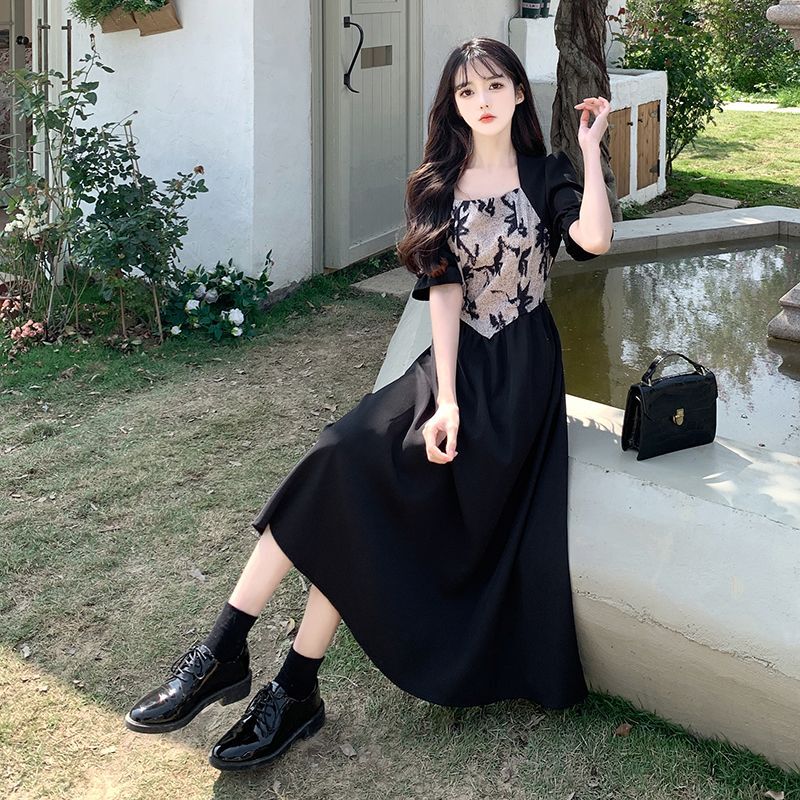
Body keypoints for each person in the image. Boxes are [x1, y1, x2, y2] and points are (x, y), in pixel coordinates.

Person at [123, 36, 614, 773]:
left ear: (518, 92)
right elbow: (444, 293)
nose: (481, 101)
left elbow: (595, 240)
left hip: (520, 380)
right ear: (452, 106)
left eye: (493, 86)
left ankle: (285, 685)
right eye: (466, 91)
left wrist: (591, 149)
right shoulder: (436, 186)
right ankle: (229, 652)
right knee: (339, 460)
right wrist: (446, 400)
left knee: (359, 486)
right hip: (456, 366)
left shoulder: (548, 175)